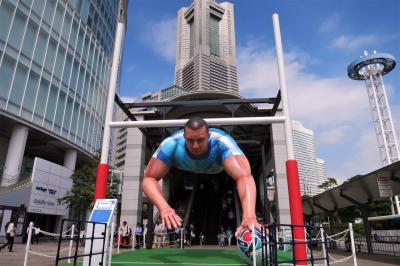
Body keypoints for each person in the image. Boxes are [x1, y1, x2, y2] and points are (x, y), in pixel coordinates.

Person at [142, 117, 261, 236]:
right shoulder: (171, 144)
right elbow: (148, 179)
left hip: (217, 166)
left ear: (208, 137)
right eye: (190, 140)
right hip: (193, 164)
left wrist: (250, 216)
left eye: (200, 140)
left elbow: (244, 177)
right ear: (184, 137)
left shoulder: (222, 143)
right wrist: (164, 207)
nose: (195, 146)